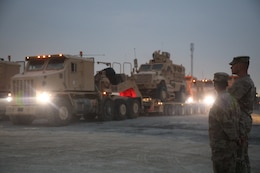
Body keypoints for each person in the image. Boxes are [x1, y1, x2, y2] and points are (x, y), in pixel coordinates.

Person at [209, 72, 240, 173]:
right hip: (231, 147)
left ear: (215, 85)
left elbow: (226, 124)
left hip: (222, 148)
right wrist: (236, 140)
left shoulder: (219, 102)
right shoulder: (233, 100)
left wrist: (234, 138)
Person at [228, 56, 256, 173]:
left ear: (240, 65)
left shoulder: (243, 83)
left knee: (238, 156)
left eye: (233, 64)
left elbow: (230, 101)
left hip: (240, 121)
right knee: (242, 155)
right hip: (240, 120)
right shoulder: (243, 81)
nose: (231, 67)